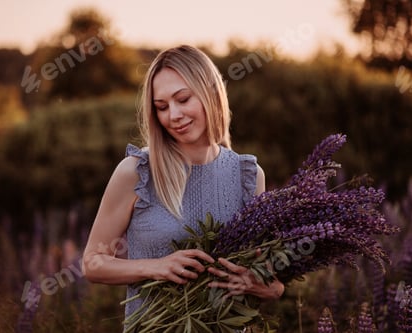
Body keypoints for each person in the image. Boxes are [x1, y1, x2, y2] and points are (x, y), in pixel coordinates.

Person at [82, 45, 284, 327]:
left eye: (183, 99)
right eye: (162, 107)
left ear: (211, 93)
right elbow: (93, 263)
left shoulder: (247, 175)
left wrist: (262, 286)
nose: (173, 115)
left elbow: (272, 283)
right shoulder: (136, 172)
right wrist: (155, 267)